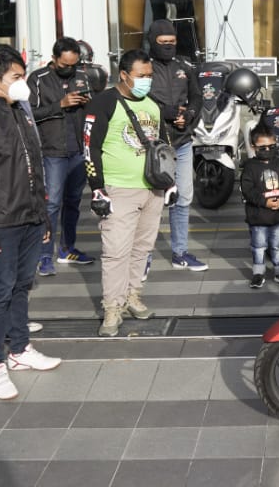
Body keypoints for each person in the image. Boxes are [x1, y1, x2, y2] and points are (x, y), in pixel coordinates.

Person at [0, 44, 63, 401]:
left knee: (22, 286)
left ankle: (20, 349)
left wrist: (42, 213)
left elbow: (34, 164)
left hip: (30, 215)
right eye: (16, 77)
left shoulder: (20, 110)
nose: (23, 82)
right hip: (0, 221)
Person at [83, 49, 174, 337]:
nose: (147, 80)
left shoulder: (153, 105)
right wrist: (97, 188)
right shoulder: (103, 103)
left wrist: (170, 182)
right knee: (115, 252)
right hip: (118, 189)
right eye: (141, 75)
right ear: (124, 75)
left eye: (150, 75)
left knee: (142, 250)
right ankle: (112, 306)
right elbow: (89, 147)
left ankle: (133, 295)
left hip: (152, 189)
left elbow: (163, 144)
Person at [145, 18, 207, 272]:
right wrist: (165, 112)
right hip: (152, 144)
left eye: (172, 41)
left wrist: (189, 115)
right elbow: (135, 99)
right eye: (163, 42)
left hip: (182, 141)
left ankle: (180, 252)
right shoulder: (143, 66)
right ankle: (143, 258)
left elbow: (197, 97)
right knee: (151, 202)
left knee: (183, 198)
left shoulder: (185, 66)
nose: (168, 46)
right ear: (153, 42)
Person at [28, 37, 95, 275]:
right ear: (54, 59)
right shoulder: (38, 78)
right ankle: (44, 254)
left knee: (73, 201)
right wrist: (61, 104)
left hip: (78, 149)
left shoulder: (82, 76)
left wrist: (87, 102)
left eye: (74, 65)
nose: (70, 69)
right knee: (52, 203)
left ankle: (67, 248)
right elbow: (29, 114)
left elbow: (92, 110)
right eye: (65, 65)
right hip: (52, 150)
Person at [240, 124, 279, 289]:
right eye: (263, 147)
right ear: (253, 147)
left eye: (272, 147)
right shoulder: (250, 167)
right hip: (258, 217)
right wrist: (264, 202)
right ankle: (258, 273)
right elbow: (247, 190)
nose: (268, 150)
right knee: (258, 247)